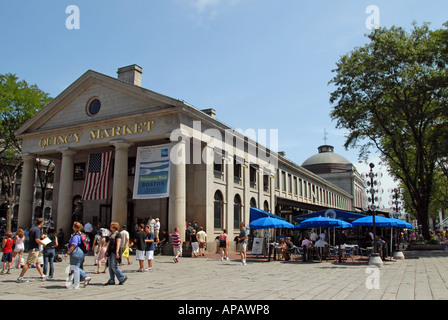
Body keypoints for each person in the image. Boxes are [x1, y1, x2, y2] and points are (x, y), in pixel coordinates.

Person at [17, 218, 48, 283]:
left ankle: (42, 275)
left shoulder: (32, 229)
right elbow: (37, 239)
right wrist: (43, 243)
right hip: (34, 249)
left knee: (38, 263)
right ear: (42, 223)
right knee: (28, 263)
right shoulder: (37, 230)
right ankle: (20, 277)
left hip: (33, 247)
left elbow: (28, 238)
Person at [64, 222, 91, 288]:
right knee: (76, 267)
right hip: (81, 252)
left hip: (76, 252)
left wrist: (67, 252)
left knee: (75, 267)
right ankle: (77, 282)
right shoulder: (80, 235)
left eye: (73, 226)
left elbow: (74, 245)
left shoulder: (76, 236)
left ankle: (84, 278)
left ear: (75, 227)